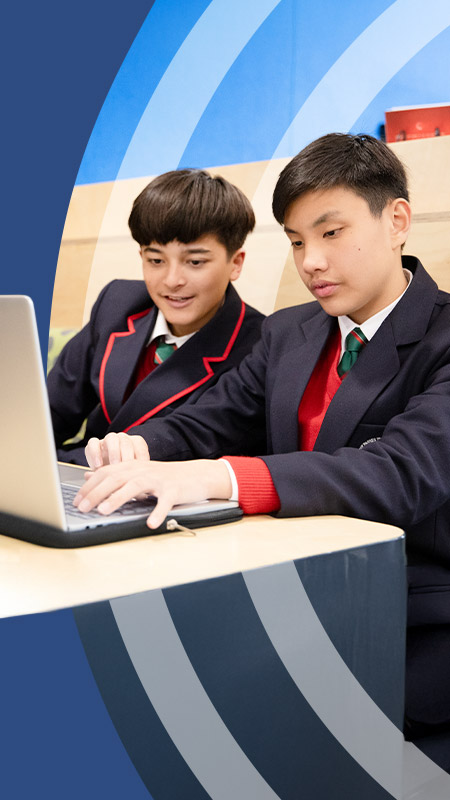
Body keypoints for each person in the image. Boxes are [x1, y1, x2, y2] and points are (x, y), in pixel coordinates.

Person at [75, 134, 450, 763]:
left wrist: (218, 478)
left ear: (397, 221)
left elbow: (399, 473)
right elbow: (211, 419)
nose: (311, 262)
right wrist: (138, 447)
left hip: (412, 617)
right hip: (294, 598)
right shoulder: (289, 332)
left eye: (330, 233)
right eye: (298, 241)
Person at [47, 169, 265, 465]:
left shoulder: (259, 344)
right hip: (77, 477)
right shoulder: (118, 303)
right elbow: (50, 411)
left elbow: (195, 444)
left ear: (235, 263)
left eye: (195, 262)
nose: (172, 280)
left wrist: (59, 462)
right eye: (156, 260)